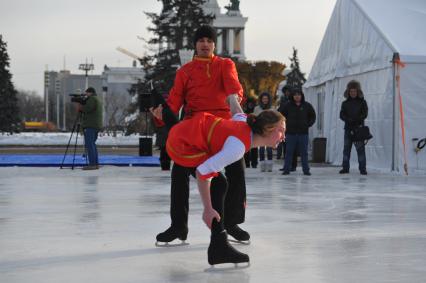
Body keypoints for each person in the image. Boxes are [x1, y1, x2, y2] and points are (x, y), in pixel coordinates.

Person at [154, 25, 251, 245]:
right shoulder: (185, 72)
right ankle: (178, 226)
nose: (205, 44)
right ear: (195, 45)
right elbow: (174, 102)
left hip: (222, 128)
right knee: (178, 171)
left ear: (214, 44)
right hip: (195, 129)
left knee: (237, 169)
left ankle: (232, 222)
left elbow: (233, 89)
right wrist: (160, 115)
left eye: (209, 40)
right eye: (201, 41)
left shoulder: (225, 65)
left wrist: (234, 102)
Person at [164, 109, 285, 265]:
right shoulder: (237, 147)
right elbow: (202, 172)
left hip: (184, 133)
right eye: (281, 131)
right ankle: (219, 248)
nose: (284, 137)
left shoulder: (245, 123)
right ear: (267, 129)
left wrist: (233, 96)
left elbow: (237, 111)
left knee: (220, 183)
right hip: (182, 144)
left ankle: (218, 246)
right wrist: (208, 209)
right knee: (219, 183)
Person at [281, 87, 316, 175]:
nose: (297, 96)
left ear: (301, 96)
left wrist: (308, 124)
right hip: (290, 133)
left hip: (303, 133)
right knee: (289, 152)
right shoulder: (287, 106)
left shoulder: (307, 106)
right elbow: (281, 116)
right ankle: (286, 169)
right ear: (292, 96)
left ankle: (306, 170)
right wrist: (284, 125)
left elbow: (313, 116)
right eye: (295, 95)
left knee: (304, 153)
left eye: (299, 95)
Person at [339, 80, 368, 175]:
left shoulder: (363, 102)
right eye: (351, 91)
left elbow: (365, 114)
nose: (353, 93)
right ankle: (345, 168)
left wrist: (357, 119)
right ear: (348, 92)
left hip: (358, 129)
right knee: (346, 149)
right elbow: (341, 114)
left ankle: (363, 169)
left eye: (354, 91)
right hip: (348, 129)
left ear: (358, 91)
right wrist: (348, 119)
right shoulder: (344, 103)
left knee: (360, 150)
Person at [76, 87, 103, 170]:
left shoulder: (92, 99)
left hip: (90, 125)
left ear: (90, 93)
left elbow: (88, 108)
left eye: (87, 93)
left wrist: (80, 107)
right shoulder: (97, 99)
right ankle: (95, 163)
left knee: (89, 145)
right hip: (95, 125)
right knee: (92, 144)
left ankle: (92, 164)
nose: (86, 95)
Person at [277, 86, 298, 169]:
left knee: (293, 147)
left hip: (293, 127)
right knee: (286, 147)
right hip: (285, 126)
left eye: (288, 91)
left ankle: (293, 165)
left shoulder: (294, 102)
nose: (287, 93)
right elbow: (280, 111)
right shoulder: (283, 101)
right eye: (286, 91)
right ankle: (287, 165)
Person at [254, 92, 273, 172]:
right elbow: (255, 119)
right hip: (260, 130)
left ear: (268, 100)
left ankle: (269, 166)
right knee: (261, 148)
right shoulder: (257, 108)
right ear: (261, 100)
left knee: (269, 149)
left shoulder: (272, 108)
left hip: (269, 130)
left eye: (266, 98)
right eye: (263, 98)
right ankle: (262, 165)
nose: (265, 100)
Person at [243, 90, 259, 168]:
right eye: (249, 103)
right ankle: (247, 163)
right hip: (246, 129)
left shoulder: (255, 110)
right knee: (247, 148)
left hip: (254, 129)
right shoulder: (244, 110)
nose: (250, 105)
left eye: (251, 104)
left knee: (254, 147)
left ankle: (254, 163)